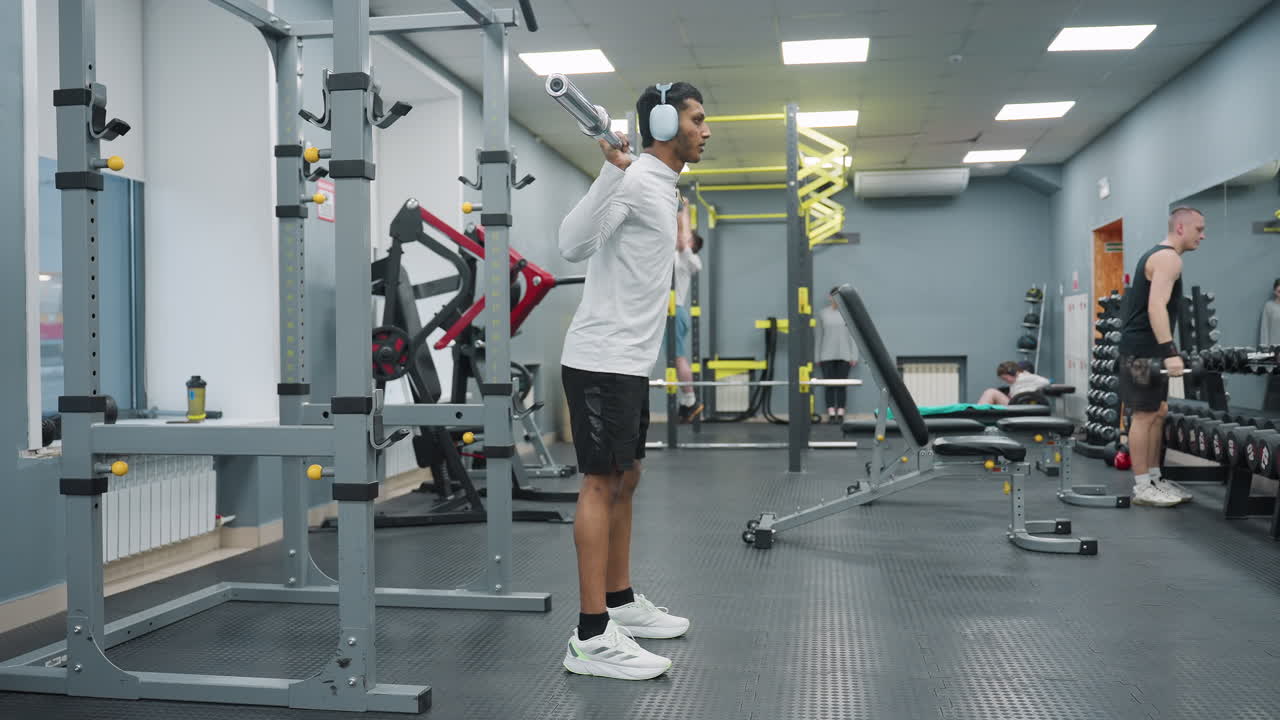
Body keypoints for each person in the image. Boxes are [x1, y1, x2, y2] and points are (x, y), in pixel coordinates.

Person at [557, 81, 711, 680]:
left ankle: (619, 601)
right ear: (668, 123)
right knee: (600, 484)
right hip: (600, 358)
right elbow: (571, 245)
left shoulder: (663, 187)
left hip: (629, 363)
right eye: (697, 119)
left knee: (629, 475)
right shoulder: (635, 180)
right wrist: (611, 174)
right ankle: (591, 635)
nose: (706, 130)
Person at [1118, 206, 1204, 507]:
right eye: (1198, 229)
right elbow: (1156, 307)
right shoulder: (1168, 258)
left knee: (1158, 411)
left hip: (1147, 348)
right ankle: (1142, 486)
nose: (1202, 236)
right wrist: (1170, 352)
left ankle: (1154, 478)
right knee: (1143, 415)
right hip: (1142, 351)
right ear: (1180, 228)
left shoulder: (1164, 257)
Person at [672, 195, 704, 422]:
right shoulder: (676, 254)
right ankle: (686, 403)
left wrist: (683, 209)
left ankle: (690, 400)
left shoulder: (687, 258)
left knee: (677, 358)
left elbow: (682, 237)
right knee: (674, 359)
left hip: (673, 312)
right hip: (668, 311)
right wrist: (685, 209)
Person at [814, 289, 858, 423]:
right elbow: (818, 336)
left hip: (845, 355)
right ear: (830, 298)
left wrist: (854, 355)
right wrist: (817, 356)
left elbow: (853, 335)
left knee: (842, 385)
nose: (836, 299)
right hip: (826, 355)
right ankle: (831, 413)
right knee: (829, 385)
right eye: (834, 297)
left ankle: (841, 413)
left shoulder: (848, 314)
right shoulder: (822, 314)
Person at [977, 360, 1049, 405]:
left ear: (1012, 372)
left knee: (991, 392)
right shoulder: (1014, 383)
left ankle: (978, 413)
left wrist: (1029, 389)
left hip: (1018, 405)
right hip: (1016, 403)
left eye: (1005, 378)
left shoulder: (1027, 377)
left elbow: (1046, 382)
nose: (1005, 381)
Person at [1261, 279, 1280, 410]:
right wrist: (1265, 352)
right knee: (1274, 385)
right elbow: (1264, 329)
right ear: (1275, 291)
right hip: (1275, 352)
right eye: (1279, 289)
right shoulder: (1269, 306)